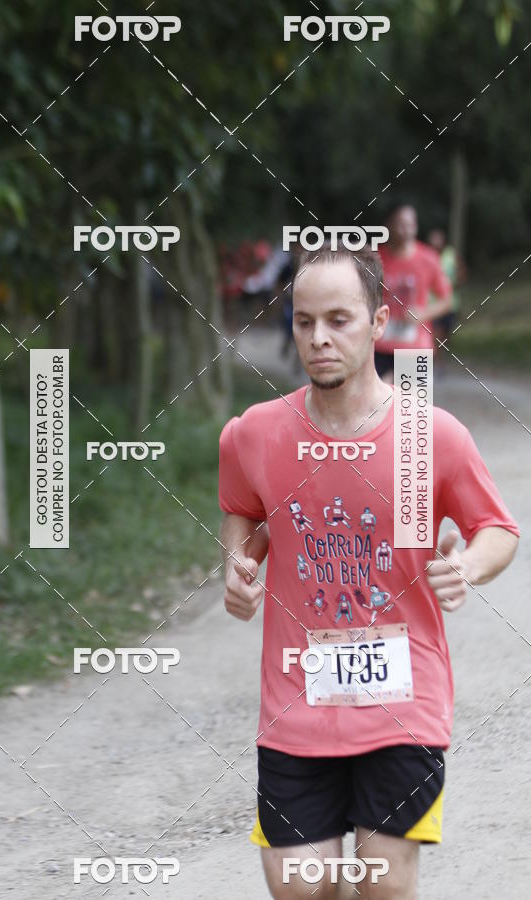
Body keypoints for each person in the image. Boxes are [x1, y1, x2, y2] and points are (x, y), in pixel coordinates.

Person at [218, 243, 519, 899]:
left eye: (339, 319)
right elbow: (245, 510)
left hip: (403, 701)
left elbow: (498, 529)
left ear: (379, 322)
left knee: (383, 883)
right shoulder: (256, 434)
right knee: (302, 885)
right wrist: (238, 564)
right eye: (304, 322)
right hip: (297, 699)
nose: (319, 338)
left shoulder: (428, 436)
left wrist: (467, 564)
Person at [375, 205, 453, 382]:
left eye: (411, 224)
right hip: (379, 344)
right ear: (388, 226)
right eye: (401, 224)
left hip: (415, 346)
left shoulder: (429, 258)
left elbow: (446, 299)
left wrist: (423, 313)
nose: (407, 230)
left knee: (411, 408)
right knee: (376, 407)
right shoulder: (375, 258)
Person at [427, 228, 466, 360]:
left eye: (438, 239)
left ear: (443, 241)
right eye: (433, 239)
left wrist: (451, 284)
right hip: (432, 304)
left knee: (445, 335)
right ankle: (434, 362)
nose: (435, 242)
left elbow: (462, 274)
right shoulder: (427, 255)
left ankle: (440, 359)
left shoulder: (451, 255)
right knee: (435, 334)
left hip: (450, 304)